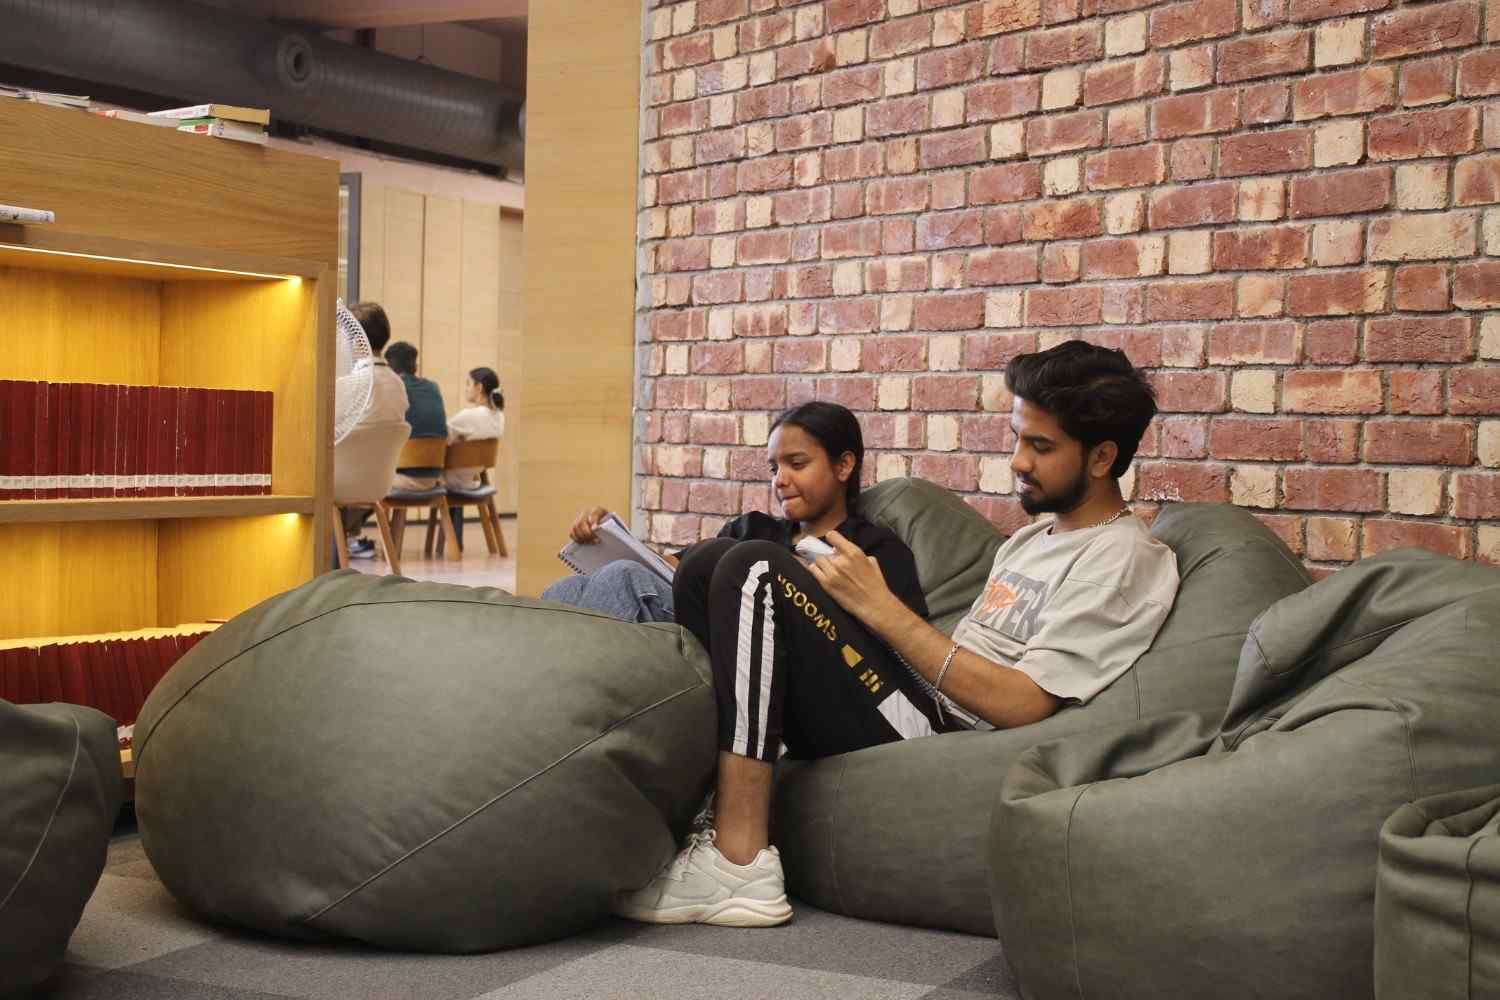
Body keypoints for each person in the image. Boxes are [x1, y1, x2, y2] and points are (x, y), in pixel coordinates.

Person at [614, 340, 1180, 929]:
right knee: (710, 564)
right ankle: (707, 818)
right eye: (1018, 438)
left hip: (940, 734)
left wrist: (880, 608)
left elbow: (1022, 702)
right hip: (912, 694)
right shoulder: (1032, 539)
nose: (1017, 461)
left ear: (1101, 456)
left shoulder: (1123, 556)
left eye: (1041, 446)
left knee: (755, 566)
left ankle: (740, 861)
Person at [542, 402, 926, 631]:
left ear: (844, 465)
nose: (780, 480)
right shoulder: (751, 528)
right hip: (692, 614)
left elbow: (899, 638)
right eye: (774, 468)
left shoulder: (871, 549)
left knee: (622, 579)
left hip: (751, 645)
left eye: (797, 464)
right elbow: (667, 570)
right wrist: (612, 536)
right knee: (564, 590)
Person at [341, 302, 409, 559]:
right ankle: (349, 538)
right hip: (380, 483)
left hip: (344, 481)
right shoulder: (398, 384)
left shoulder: (352, 384)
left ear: (355, 338)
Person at [443, 367, 506, 550]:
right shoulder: (499, 416)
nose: (466, 388)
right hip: (473, 476)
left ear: (479, 387)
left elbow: (441, 436)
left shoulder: (468, 416)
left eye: (468, 384)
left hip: (450, 479)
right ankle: (456, 541)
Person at [384, 341, 447, 493]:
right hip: (434, 477)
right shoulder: (433, 387)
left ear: (390, 369)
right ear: (415, 367)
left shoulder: (395, 388)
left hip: (402, 477)